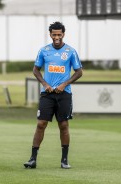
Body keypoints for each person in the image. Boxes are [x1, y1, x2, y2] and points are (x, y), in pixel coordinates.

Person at [24, 21, 83, 169]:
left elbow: (79, 72)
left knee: (63, 125)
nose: (57, 36)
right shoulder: (44, 51)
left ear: (63, 34)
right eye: (54, 34)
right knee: (40, 124)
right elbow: (36, 70)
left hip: (64, 94)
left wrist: (65, 84)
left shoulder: (70, 51)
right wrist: (45, 84)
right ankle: (32, 159)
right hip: (47, 94)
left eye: (59, 34)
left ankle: (64, 160)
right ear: (50, 34)